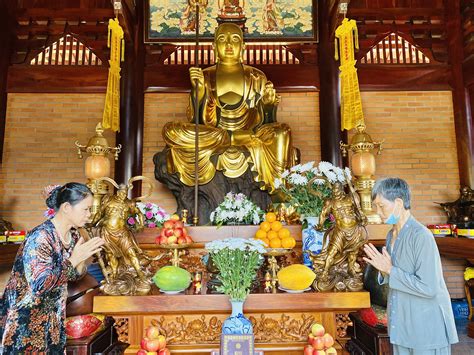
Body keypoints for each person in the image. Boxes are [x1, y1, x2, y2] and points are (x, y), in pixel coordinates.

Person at [162, 23, 298, 193]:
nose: (228, 45)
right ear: (213, 46)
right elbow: (197, 122)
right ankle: (231, 138)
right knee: (171, 130)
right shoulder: (205, 75)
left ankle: (280, 194)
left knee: (283, 131)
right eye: (222, 39)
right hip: (219, 134)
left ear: (243, 46)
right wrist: (198, 91)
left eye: (234, 39)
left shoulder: (256, 76)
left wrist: (269, 106)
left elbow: (266, 124)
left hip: (249, 134)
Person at [0, 183, 104, 353]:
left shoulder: (74, 235)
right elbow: (39, 284)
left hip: (53, 318)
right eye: (86, 209)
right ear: (66, 208)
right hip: (24, 320)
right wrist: (74, 259)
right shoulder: (41, 237)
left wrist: (81, 262)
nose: (89, 215)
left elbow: (72, 276)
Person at [363, 177, 458, 355]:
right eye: (375, 207)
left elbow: (429, 287)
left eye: (381, 206)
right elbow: (392, 274)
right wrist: (384, 270)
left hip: (426, 328)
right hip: (402, 325)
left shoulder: (421, 236)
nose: (378, 212)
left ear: (398, 203)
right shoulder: (391, 235)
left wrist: (390, 270)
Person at [311, 181, 368, 286]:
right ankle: (325, 272)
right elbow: (323, 214)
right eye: (333, 190)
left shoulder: (351, 198)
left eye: (337, 189)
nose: (335, 191)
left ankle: (351, 270)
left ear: (342, 189)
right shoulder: (330, 202)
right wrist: (320, 225)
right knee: (332, 251)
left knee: (353, 252)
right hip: (340, 231)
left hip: (354, 229)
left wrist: (363, 217)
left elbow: (359, 210)